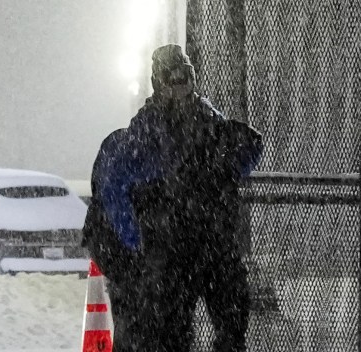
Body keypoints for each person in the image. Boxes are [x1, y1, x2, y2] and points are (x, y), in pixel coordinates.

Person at [96, 45, 265, 352]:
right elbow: (118, 183)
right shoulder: (147, 129)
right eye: (169, 78)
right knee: (174, 333)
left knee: (231, 320)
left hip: (209, 244)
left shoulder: (208, 122)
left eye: (183, 76)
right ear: (157, 83)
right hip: (174, 248)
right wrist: (137, 240)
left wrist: (214, 167)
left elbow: (248, 148)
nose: (178, 85)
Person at [81, 125, 146, 350]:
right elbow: (116, 203)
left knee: (127, 312)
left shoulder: (117, 145)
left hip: (106, 242)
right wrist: (136, 244)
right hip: (119, 246)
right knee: (135, 313)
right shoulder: (141, 154)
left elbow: (102, 190)